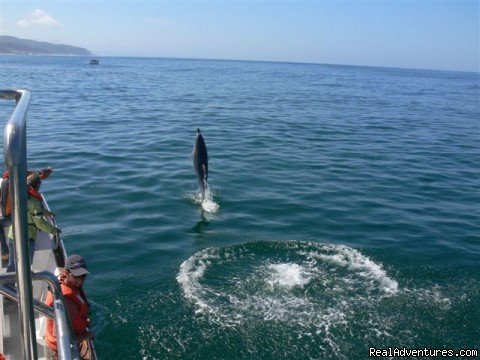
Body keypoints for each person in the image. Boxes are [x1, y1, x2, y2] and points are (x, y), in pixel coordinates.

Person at [6, 171, 60, 272]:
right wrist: (54, 230)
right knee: (26, 265)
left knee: (12, 264)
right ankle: (24, 286)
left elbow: (29, 211)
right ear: (37, 185)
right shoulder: (34, 201)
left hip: (12, 235)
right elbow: (39, 223)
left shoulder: (19, 197)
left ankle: (8, 285)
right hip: (26, 238)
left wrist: (45, 213)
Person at [45, 254, 94, 360]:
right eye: (76, 276)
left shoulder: (70, 284)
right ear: (66, 273)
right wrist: (86, 336)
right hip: (58, 351)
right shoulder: (65, 300)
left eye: (83, 275)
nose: (80, 280)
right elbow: (62, 339)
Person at [1, 168, 53, 261]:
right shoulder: (33, 199)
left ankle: (5, 252)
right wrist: (54, 230)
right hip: (26, 234)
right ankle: (5, 253)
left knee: (12, 264)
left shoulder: (17, 188)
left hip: (12, 232)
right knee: (27, 263)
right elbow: (39, 221)